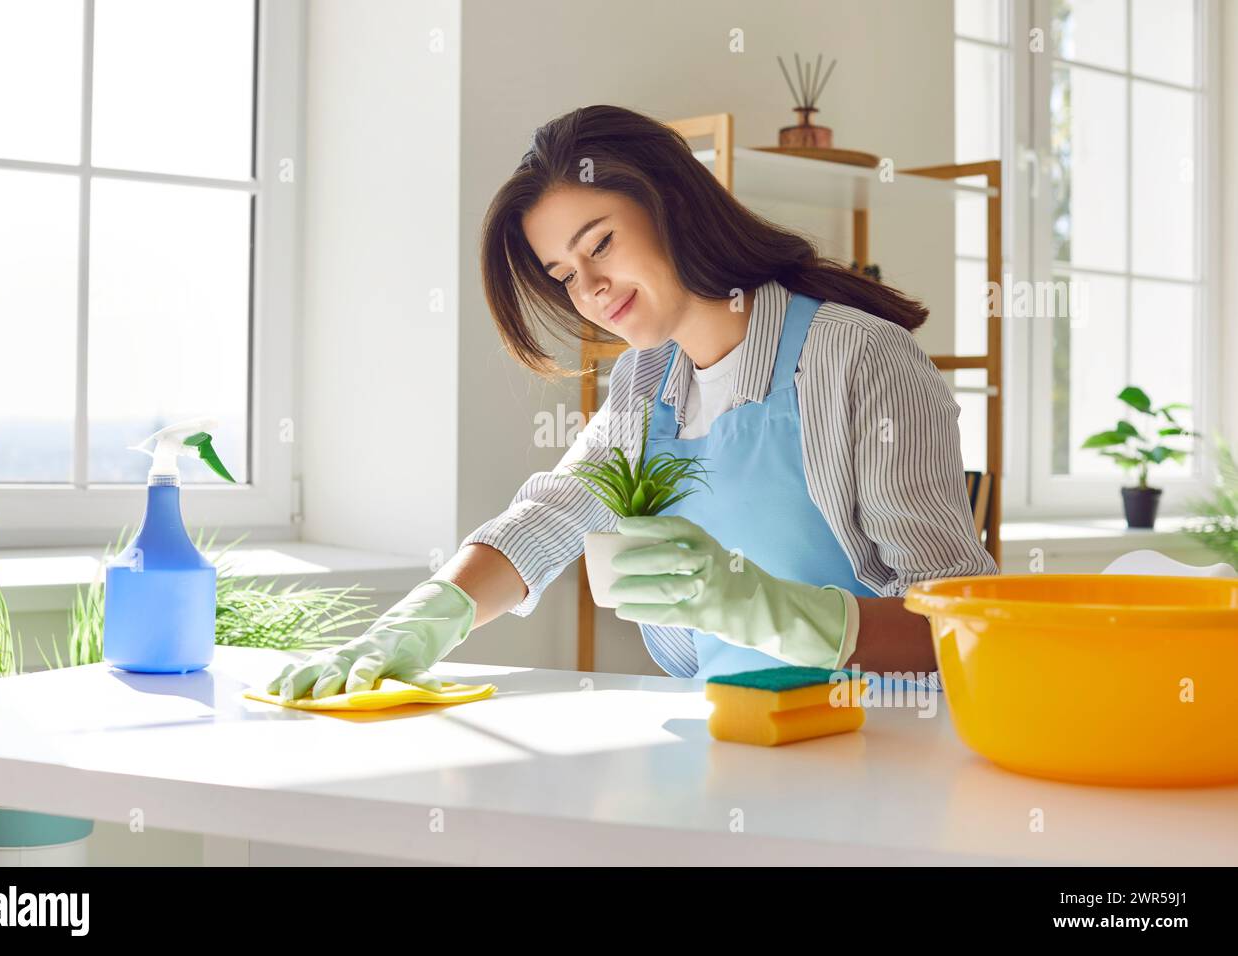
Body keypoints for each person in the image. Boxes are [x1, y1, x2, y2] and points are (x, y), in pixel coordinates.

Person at [266, 105, 997, 701]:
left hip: (875, 742)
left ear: (671, 205)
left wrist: (767, 609)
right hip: (723, 731)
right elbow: (557, 511)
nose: (588, 290)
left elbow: (956, 626)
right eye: (563, 274)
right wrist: (427, 618)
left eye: (602, 244)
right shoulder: (645, 381)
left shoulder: (858, 358)